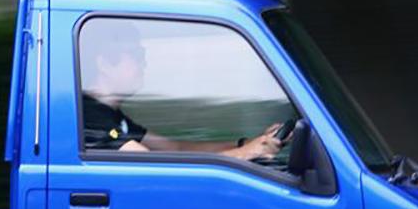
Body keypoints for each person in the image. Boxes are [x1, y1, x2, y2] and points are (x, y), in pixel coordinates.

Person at [81, 21, 285, 161]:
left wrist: (249, 143)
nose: (144, 61)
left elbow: (175, 148)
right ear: (105, 64)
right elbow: (155, 166)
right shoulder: (89, 118)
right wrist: (247, 153)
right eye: (136, 54)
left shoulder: (112, 117)